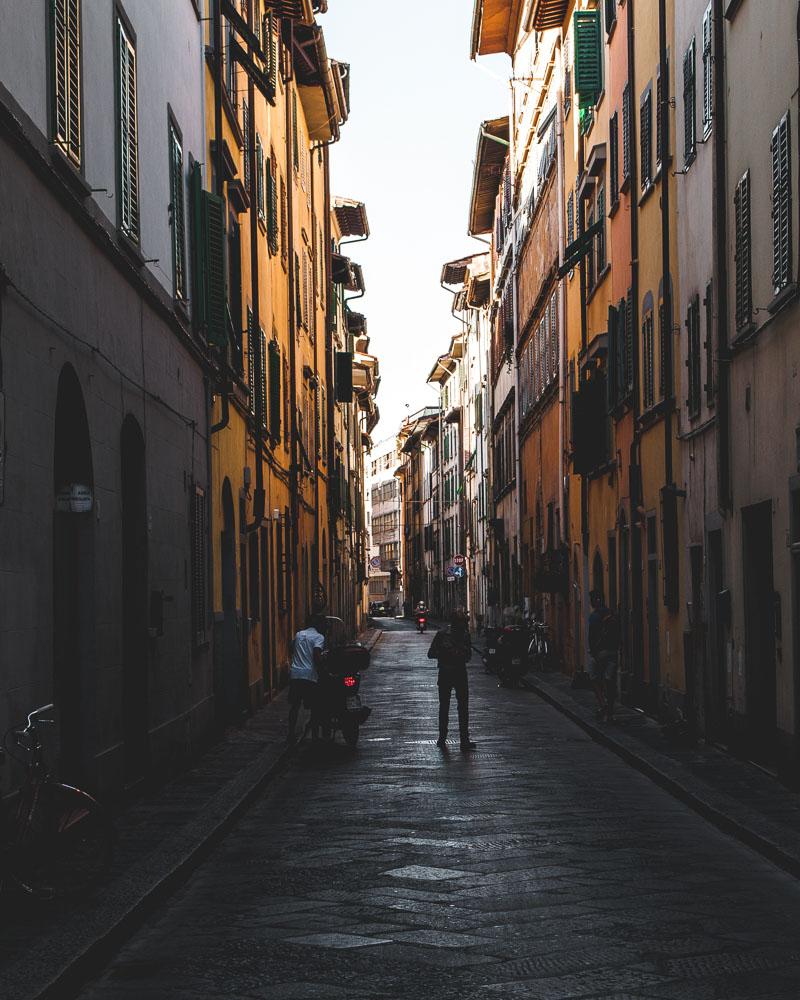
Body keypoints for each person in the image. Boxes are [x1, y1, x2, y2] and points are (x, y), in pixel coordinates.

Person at [427, 609, 477, 751]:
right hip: (449, 672)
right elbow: (431, 653)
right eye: (461, 622)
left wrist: (458, 653)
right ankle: (444, 738)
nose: (463, 626)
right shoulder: (443, 635)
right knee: (447, 707)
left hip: (457, 673)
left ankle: (461, 739)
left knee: (460, 707)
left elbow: (468, 656)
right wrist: (446, 654)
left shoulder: (462, 635)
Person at [287, 615, 327, 745]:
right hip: (309, 676)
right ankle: (315, 737)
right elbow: (316, 654)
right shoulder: (319, 637)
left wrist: (297, 658)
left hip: (295, 674)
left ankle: (290, 733)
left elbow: (291, 647)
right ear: (320, 626)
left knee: (295, 706)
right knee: (316, 707)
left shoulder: (299, 634)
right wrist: (322, 667)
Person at [588, 591, 620, 722]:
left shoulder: (594, 616)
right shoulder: (611, 614)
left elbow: (591, 636)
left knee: (594, 678)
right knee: (610, 680)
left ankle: (603, 704)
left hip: (600, 653)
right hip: (613, 652)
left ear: (594, 601)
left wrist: (593, 652)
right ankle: (610, 712)